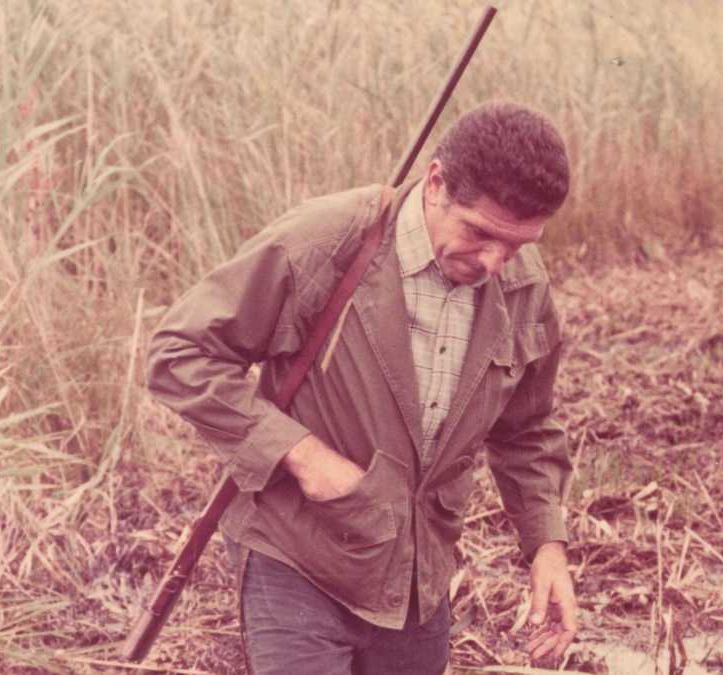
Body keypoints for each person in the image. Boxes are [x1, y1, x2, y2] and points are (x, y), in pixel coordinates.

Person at [146, 101, 577, 674]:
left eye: (519, 244)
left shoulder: (523, 286)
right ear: (436, 183)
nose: (496, 261)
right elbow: (180, 353)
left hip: (419, 580)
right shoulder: (327, 242)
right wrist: (301, 454)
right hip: (296, 555)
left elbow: (526, 430)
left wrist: (546, 546)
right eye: (480, 233)